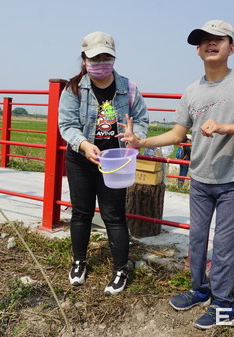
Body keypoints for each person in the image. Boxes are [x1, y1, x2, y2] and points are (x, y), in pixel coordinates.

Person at [120, 20, 234, 329]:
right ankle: (200, 289)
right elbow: (177, 134)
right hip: (200, 180)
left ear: (232, 47)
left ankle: (224, 304)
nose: (210, 44)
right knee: (198, 240)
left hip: (232, 181)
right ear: (198, 50)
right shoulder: (191, 91)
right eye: (204, 40)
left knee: (226, 246)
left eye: (218, 39)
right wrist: (141, 142)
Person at [58, 31, 149, 296]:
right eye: (94, 58)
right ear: (84, 59)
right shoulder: (74, 89)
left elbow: (141, 119)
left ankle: (120, 269)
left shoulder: (128, 88)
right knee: (82, 212)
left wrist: (136, 137)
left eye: (106, 57)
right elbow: (67, 125)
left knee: (114, 215)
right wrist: (85, 145)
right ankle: (79, 262)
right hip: (81, 158)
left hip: (115, 162)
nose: (100, 62)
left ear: (114, 58)